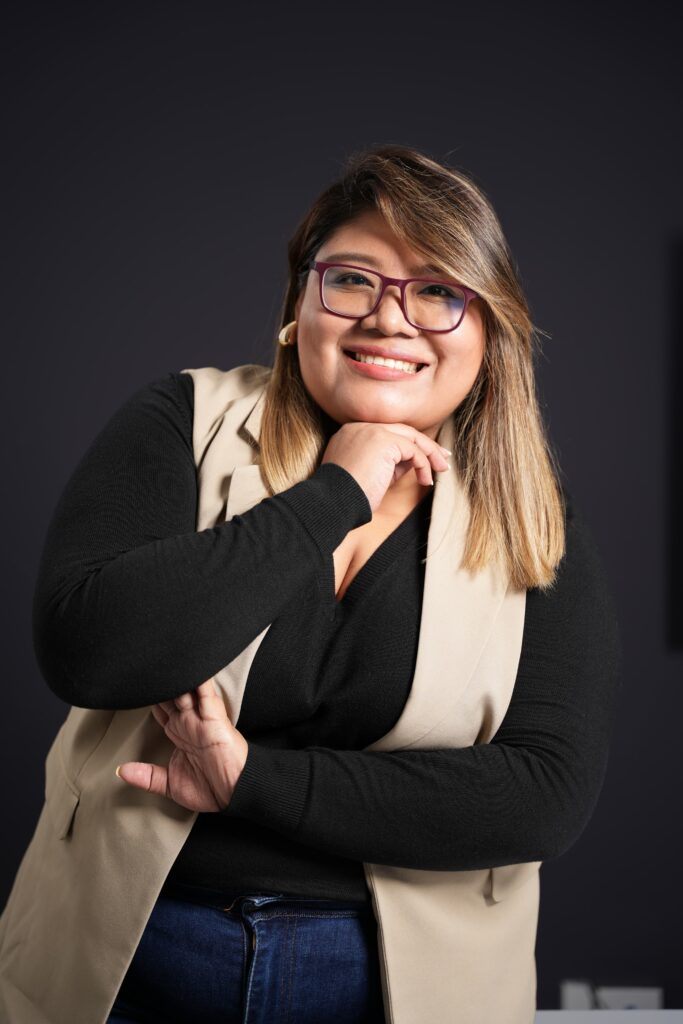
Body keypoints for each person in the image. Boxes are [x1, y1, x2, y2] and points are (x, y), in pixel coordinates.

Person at [0, 145, 620, 1024]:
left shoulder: (530, 514)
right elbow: (89, 651)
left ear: (489, 329)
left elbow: (540, 794)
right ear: (301, 305)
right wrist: (335, 493)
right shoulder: (181, 422)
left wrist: (251, 779)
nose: (389, 319)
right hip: (125, 959)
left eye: (437, 291)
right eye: (351, 280)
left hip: (397, 990)